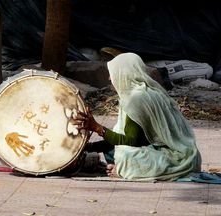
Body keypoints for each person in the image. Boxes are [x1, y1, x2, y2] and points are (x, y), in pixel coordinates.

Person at [74, 52, 201, 181]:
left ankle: (125, 170)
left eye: (112, 73)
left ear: (123, 74)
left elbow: (131, 141)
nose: (109, 78)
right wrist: (89, 147)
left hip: (176, 159)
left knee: (123, 155)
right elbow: (141, 139)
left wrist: (97, 128)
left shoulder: (135, 100)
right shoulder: (149, 92)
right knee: (112, 150)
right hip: (187, 156)